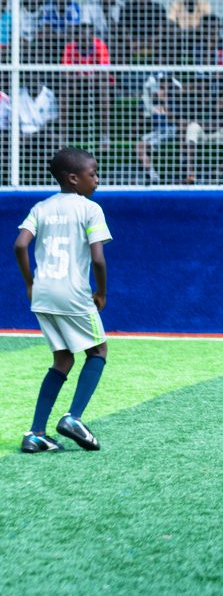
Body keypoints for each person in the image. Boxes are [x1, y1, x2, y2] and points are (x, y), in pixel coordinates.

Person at [14, 147, 112, 453]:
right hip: (72, 293)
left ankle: (35, 434)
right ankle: (73, 417)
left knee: (63, 358)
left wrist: (30, 283)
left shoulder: (41, 207)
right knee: (98, 350)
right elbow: (98, 259)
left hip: (43, 293)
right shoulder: (90, 209)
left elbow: (20, 245)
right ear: (73, 178)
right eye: (92, 174)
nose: (97, 179)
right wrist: (101, 292)